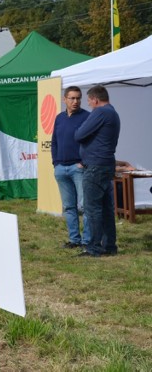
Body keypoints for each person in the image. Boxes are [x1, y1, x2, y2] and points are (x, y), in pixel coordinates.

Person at [75, 85, 121, 257]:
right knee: (106, 208)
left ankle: (94, 248)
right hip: (106, 164)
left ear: (95, 99)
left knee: (93, 208)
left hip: (95, 166)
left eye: (89, 101)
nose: (89, 104)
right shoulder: (113, 112)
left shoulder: (100, 112)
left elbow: (79, 135)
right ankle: (109, 246)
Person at [51, 86, 91, 249]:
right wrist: (56, 162)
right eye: (72, 98)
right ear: (64, 99)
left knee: (86, 206)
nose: (76, 101)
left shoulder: (87, 117)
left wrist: (83, 162)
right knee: (69, 207)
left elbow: (91, 142)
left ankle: (88, 241)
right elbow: (54, 142)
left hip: (78, 168)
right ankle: (74, 240)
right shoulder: (59, 118)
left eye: (78, 98)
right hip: (61, 168)